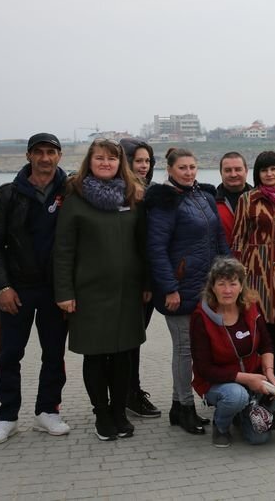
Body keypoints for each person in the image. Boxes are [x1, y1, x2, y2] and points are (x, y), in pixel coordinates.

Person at [54, 138, 148, 440]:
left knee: (123, 355)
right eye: (100, 158)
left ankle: (120, 410)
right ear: (89, 162)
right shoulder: (76, 198)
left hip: (127, 292)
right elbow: (63, 250)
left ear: (120, 163)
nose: (106, 163)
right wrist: (64, 292)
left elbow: (143, 244)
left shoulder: (133, 196)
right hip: (89, 294)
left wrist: (147, 283)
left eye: (112, 158)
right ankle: (102, 413)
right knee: (95, 356)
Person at [0, 133, 71, 444]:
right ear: (28, 156)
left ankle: (48, 411)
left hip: (54, 290)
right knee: (9, 354)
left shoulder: (71, 190)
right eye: (39, 153)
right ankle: (6, 416)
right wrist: (2, 286)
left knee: (53, 353)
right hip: (17, 289)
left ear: (59, 156)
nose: (45, 158)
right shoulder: (9, 193)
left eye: (51, 152)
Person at [145, 146, 230, 435]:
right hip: (179, 290)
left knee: (197, 349)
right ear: (169, 170)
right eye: (183, 168)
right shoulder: (164, 202)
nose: (189, 172)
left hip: (206, 287)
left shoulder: (203, 197)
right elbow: (155, 249)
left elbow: (219, 237)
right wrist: (169, 288)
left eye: (192, 167)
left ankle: (175, 407)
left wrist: (227, 274)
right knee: (184, 351)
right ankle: (185, 408)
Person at [190, 257, 275, 447]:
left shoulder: (251, 307)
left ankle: (240, 412)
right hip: (216, 383)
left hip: (250, 380)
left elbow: (266, 344)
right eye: (221, 284)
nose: (227, 290)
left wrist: (270, 374)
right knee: (236, 396)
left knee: (260, 438)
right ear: (212, 287)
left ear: (241, 286)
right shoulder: (201, 318)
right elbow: (204, 369)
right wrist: (248, 379)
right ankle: (221, 426)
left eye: (233, 283)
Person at [231, 150, 275, 383]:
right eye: (264, 169)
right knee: (255, 333)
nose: (269, 174)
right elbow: (238, 240)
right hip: (254, 274)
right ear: (258, 174)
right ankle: (255, 387)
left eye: (273, 169)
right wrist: (238, 280)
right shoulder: (248, 199)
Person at [118, 138, 161, 420]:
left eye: (147, 161)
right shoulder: (120, 194)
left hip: (146, 281)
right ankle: (126, 393)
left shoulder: (149, 192)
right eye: (138, 161)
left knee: (134, 340)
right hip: (126, 280)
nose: (143, 166)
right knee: (126, 341)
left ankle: (129, 392)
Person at [215, 151, 251, 245]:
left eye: (238, 169)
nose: (233, 174)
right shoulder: (209, 202)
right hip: (223, 258)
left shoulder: (260, 199)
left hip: (254, 258)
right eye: (227, 170)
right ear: (220, 172)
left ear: (246, 171)